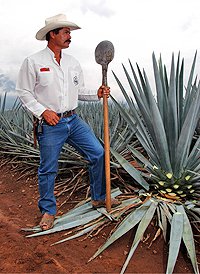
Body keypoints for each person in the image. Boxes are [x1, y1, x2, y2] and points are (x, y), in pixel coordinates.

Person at [16, 14, 120, 231]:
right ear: (52, 35)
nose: (69, 36)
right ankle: (48, 211)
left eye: (69, 33)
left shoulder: (73, 62)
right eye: (65, 32)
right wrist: (43, 112)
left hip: (73, 119)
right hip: (51, 124)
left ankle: (98, 197)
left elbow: (79, 91)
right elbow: (23, 92)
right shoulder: (33, 61)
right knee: (48, 169)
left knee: (98, 153)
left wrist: (98, 93)